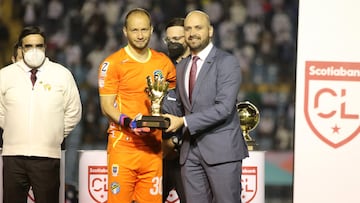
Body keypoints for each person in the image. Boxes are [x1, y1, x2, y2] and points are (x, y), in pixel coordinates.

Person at [164, 10, 249, 203]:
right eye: (188, 29)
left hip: (222, 152)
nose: (192, 33)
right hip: (189, 153)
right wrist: (152, 115)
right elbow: (178, 106)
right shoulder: (182, 66)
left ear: (210, 31)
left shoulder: (227, 62)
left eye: (198, 28)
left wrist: (183, 121)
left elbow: (224, 108)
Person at [98, 8, 176, 203]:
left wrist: (170, 135)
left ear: (151, 30)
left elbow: (174, 102)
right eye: (134, 30)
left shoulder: (164, 63)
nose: (140, 35)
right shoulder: (113, 63)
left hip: (153, 148)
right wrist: (130, 123)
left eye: (144, 30)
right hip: (123, 145)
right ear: (125, 31)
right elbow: (106, 106)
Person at [0, 26, 82, 203]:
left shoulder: (62, 74)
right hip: (13, 157)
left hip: (48, 157)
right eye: (28, 46)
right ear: (21, 48)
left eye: (39, 45)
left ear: (45, 48)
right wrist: (14, 127)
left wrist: (55, 133)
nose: (34, 50)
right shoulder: (5, 75)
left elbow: (74, 112)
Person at [161, 17, 190, 203]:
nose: (173, 44)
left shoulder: (199, 70)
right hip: (160, 155)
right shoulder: (159, 68)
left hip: (187, 157)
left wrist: (176, 141)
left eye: (177, 39)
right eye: (169, 40)